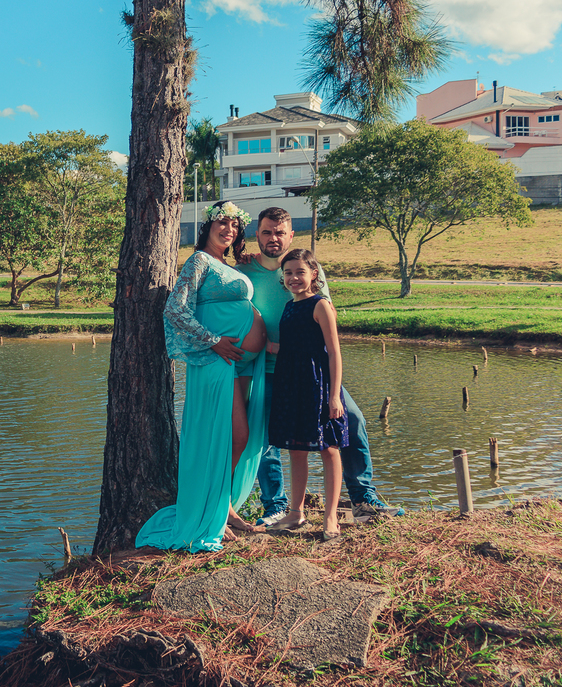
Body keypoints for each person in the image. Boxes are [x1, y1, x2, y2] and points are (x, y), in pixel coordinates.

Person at [232, 207, 402, 526]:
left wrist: (333, 389)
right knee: (266, 437)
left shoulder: (309, 268)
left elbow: (326, 320)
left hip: (313, 371)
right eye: (267, 232)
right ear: (258, 234)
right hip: (266, 368)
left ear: (291, 235)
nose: (273, 238)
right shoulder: (245, 268)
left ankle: (363, 499)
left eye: (280, 232)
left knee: (351, 419)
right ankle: (276, 506)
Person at [135, 201, 269, 552]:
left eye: (235, 226)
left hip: (238, 365)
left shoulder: (229, 264)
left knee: (239, 436)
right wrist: (213, 343)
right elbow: (175, 308)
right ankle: (214, 513)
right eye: (222, 223)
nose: (228, 230)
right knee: (227, 436)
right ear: (208, 226)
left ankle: (222, 507)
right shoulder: (199, 261)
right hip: (215, 362)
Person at [265, 249, 346, 539]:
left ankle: (331, 516)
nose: (293, 278)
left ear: (314, 274)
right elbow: (295, 346)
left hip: (319, 384)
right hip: (291, 384)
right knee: (296, 448)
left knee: (329, 448)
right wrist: (270, 346)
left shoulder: (321, 305)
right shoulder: (289, 306)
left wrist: (334, 396)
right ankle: (296, 513)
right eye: (288, 273)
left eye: (300, 272)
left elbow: (334, 353)